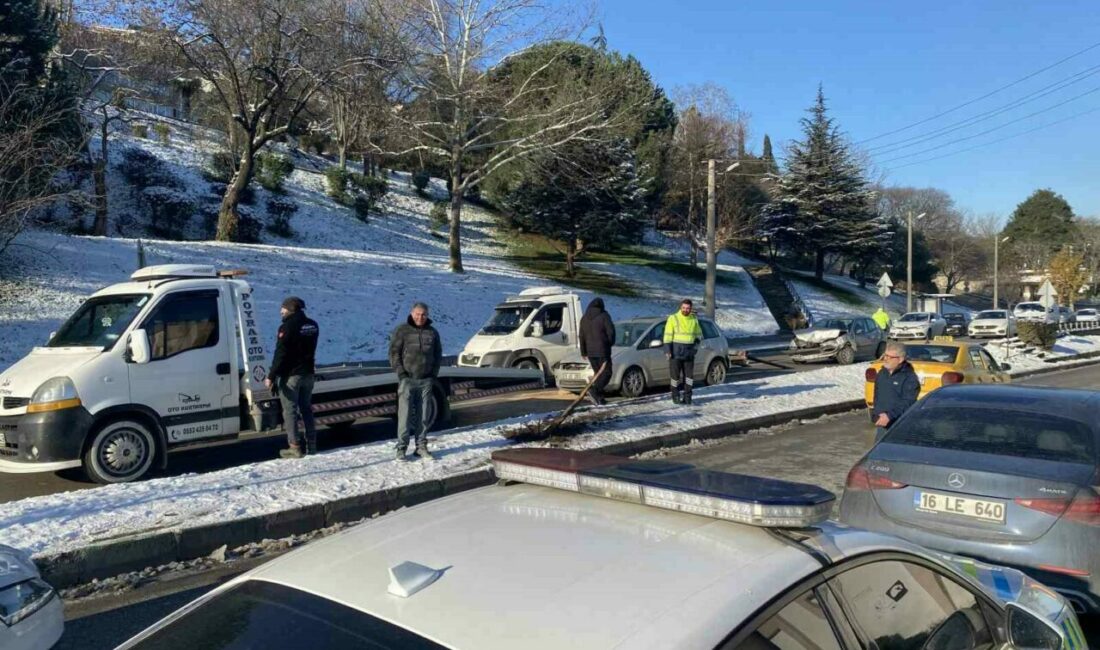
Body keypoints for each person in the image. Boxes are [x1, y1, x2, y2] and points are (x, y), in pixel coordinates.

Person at [265, 297, 320, 459]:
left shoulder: (287, 327)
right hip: (308, 373)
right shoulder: (313, 325)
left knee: (290, 411)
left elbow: (281, 353)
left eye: (282, 310)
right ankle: (312, 445)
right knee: (307, 409)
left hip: (291, 376)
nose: (281, 312)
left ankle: (294, 447)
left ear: (290, 309)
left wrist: (271, 376)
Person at [389, 302, 443, 461]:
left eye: (424, 314)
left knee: (423, 417)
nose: (421, 317)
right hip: (407, 380)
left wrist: (433, 374)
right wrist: (401, 375)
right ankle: (401, 448)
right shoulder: (402, 330)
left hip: (426, 380)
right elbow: (394, 353)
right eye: (418, 314)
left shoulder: (432, 332)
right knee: (404, 417)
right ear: (412, 313)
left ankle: (421, 447)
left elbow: (438, 354)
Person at [871, 341, 920, 443]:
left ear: (900, 359)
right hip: (882, 423)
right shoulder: (882, 373)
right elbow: (877, 395)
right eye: (885, 355)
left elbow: (908, 402)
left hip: (900, 426)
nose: (886, 359)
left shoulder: (909, 377)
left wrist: (890, 416)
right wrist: (876, 412)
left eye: (890, 357)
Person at [663, 298, 703, 405]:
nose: (686, 310)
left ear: (691, 309)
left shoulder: (694, 319)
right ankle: (675, 396)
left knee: (689, 378)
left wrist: (695, 349)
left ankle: (688, 397)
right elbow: (667, 336)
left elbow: (699, 335)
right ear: (680, 308)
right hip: (675, 353)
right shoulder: (673, 318)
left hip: (689, 354)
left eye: (688, 308)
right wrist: (667, 350)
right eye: (684, 308)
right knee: (675, 378)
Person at [578, 297, 615, 406]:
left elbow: (581, 336)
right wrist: (609, 343)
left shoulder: (584, 318)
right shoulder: (604, 316)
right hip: (603, 350)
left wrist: (583, 351)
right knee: (607, 373)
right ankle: (595, 390)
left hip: (590, 352)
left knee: (598, 374)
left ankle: (599, 397)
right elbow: (611, 332)